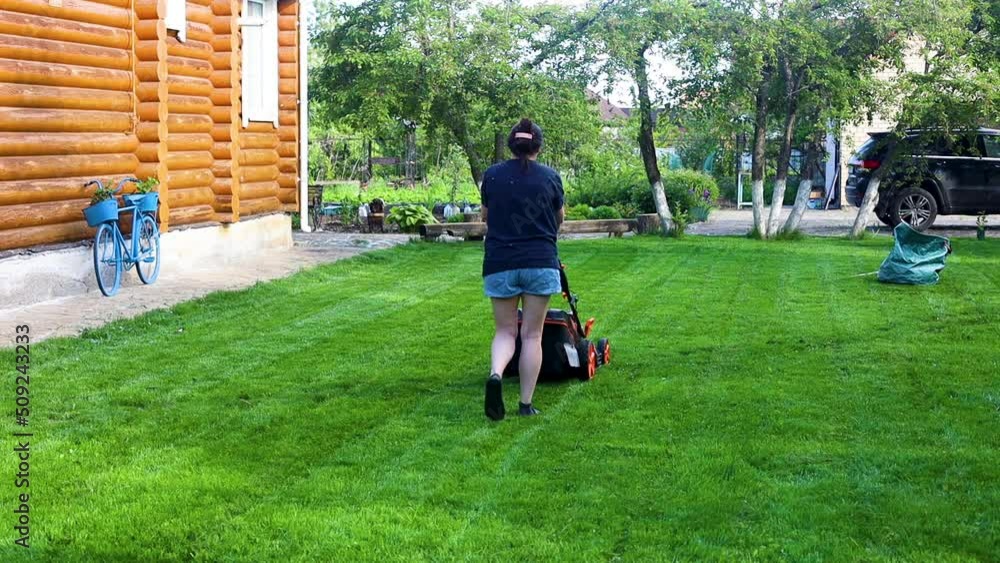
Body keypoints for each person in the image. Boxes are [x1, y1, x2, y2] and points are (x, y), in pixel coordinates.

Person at [481, 119, 565, 421]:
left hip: (500, 262)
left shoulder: (492, 176)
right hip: (539, 261)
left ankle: (496, 374)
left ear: (511, 145)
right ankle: (526, 404)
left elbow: (486, 218)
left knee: (505, 331)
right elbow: (560, 219)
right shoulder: (550, 177)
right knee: (531, 335)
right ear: (537, 147)